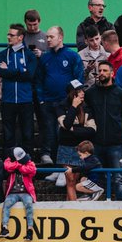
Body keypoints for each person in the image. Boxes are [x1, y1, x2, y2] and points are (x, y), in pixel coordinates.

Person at [37, 26, 82, 163]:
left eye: (51, 37)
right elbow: (39, 79)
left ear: (61, 37)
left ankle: (64, 165)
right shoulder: (45, 57)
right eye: (47, 37)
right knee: (49, 133)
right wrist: (41, 100)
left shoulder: (72, 56)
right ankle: (54, 166)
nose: (48, 39)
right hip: (48, 102)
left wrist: (73, 99)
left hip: (65, 103)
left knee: (63, 133)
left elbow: (78, 78)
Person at [86, 61, 122, 200]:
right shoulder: (91, 93)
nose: (102, 73)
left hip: (116, 143)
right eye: (100, 71)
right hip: (96, 143)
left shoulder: (120, 93)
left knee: (118, 178)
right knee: (95, 179)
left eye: (105, 70)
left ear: (112, 73)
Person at [0, 23, 38, 155]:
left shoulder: (30, 55)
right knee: (8, 134)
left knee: (27, 133)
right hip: (8, 100)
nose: (8, 37)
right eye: (8, 34)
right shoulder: (2, 54)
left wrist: (10, 70)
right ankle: (9, 162)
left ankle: (28, 162)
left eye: (12, 35)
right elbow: (2, 73)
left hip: (25, 99)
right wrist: (20, 71)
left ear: (20, 37)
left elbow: (29, 75)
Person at [0, 147, 38, 239]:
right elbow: (7, 166)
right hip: (12, 192)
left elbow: (32, 169)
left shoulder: (28, 161)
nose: (23, 160)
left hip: (26, 192)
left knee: (29, 205)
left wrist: (18, 166)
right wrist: (18, 164)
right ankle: (4, 228)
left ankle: (30, 230)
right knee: (6, 205)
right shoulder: (9, 160)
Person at [57, 84, 96, 167]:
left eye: (83, 91)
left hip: (82, 148)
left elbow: (92, 130)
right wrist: (74, 106)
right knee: (69, 176)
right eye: (79, 91)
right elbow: (66, 125)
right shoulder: (62, 106)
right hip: (66, 146)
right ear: (72, 93)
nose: (83, 93)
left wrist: (73, 129)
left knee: (78, 176)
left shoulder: (86, 107)